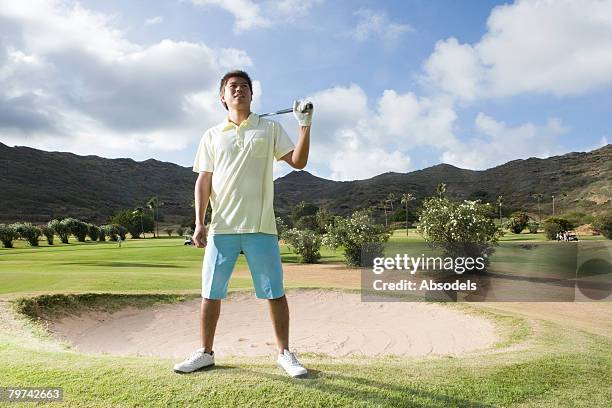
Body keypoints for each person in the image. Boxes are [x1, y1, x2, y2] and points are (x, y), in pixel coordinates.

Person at [173, 70, 312, 377]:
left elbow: (298, 163)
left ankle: (285, 354)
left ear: (252, 95)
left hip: (260, 227)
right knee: (210, 292)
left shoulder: (269, 128)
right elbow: (203, 181)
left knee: (274, 292)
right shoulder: (212, 135)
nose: (239, 90)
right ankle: (205, 353)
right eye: (232, 87)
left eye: (245, 86)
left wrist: (304, 124)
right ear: (222, 97)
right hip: (222, 229)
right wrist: (199, 222)